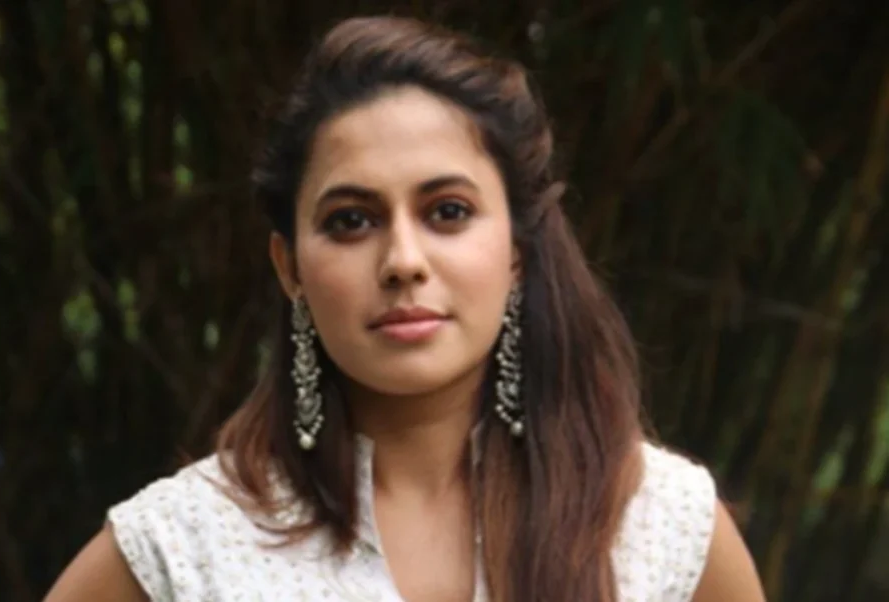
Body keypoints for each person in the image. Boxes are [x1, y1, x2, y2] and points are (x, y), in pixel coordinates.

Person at [45, 15, 766, 602]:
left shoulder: (658, 525)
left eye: (447, 211)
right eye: (351, 221)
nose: (403, 260)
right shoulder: (187, 541)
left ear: (517, 250)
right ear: (289, 268)